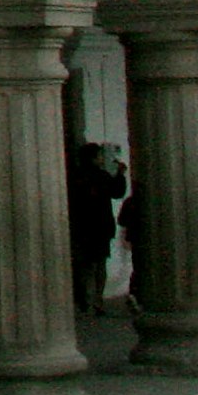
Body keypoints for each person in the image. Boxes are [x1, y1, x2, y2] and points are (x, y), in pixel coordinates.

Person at [68, 135, 127, 314]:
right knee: (99, 264)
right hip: (100, 227)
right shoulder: (100, 176)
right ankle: (97, 300)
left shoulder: (75, 177)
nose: (102, 159)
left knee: (84, 265)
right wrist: (120, 174)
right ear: (94, 157)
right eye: (100, 155)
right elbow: (117, 192)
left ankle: (85, 299)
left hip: (80, 226)